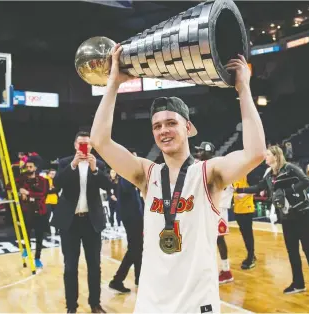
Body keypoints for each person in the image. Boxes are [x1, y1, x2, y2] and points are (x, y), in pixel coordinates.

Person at [90, 43, 266, 313]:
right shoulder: (147, 174)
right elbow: (100, 141)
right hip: (152, 303)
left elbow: (255, 153)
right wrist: (112, 83)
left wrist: (244, 89)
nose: (163, 131)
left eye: (171, 123)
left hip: (196, 304)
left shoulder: (209, 173)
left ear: (188, 126)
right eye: (157, 126)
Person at [236, 145, 309, 305]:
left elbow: (305, 181)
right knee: (292, 251)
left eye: (268, 155)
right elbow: (259, 187)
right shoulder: (269, 175)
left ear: (276, 156)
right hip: (287, 217)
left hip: (303, 214)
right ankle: (298, 284)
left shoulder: (290, 168)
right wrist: (240, 190)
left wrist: (286, 192)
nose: (265, 157)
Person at [51, 131, 111, 314]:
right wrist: (73, 165)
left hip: (91, 222)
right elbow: (57, 183)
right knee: (70, 268)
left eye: (87, 144)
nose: (84, 147)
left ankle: (95, 304)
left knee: (94, 266)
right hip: (70, 223)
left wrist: (94, 170)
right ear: (75, 145)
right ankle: (71, 307)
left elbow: (108, 185)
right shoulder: (65, 163)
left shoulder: (99, 164)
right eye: (81, 144)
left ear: (92, 146)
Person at [195, 141, 234, 284]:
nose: (198, 153)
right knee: (210, 239)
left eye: (200, 151)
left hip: (219, 208)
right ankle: (213, 269)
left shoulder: (217, 166)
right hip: (211, 207)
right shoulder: (206, 166)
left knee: (218, 238)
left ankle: (226, 270)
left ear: (207, 152)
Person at [109, 158, 144, 293]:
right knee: (134, 249)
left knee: (138, 248)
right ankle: (117, 280)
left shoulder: (127, 175)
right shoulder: (125, 175)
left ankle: (138, 278)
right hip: (131, 218)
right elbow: (128, 187)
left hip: (135, 217)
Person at [16, 156, 49, 268]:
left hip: (40, 211)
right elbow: (8, 186)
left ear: (36, 168)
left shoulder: (43, 180)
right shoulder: (22, 179)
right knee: (26, 231)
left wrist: (28, 193)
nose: (28, 168)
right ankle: (27, 248)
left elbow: (43, 194)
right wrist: (19, 190)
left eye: (31, 167)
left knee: (40, 236)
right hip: (27, 210)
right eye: (27, 166)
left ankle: (37, 258)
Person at [232, 176, 256, 269]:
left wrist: (244, 194)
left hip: (247, 208)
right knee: (244, 234)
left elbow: (256, 188)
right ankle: (251, 254)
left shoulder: (247, 175)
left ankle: (251, 257)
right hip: (237, 209)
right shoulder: (233, 178)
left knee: (248, 234)